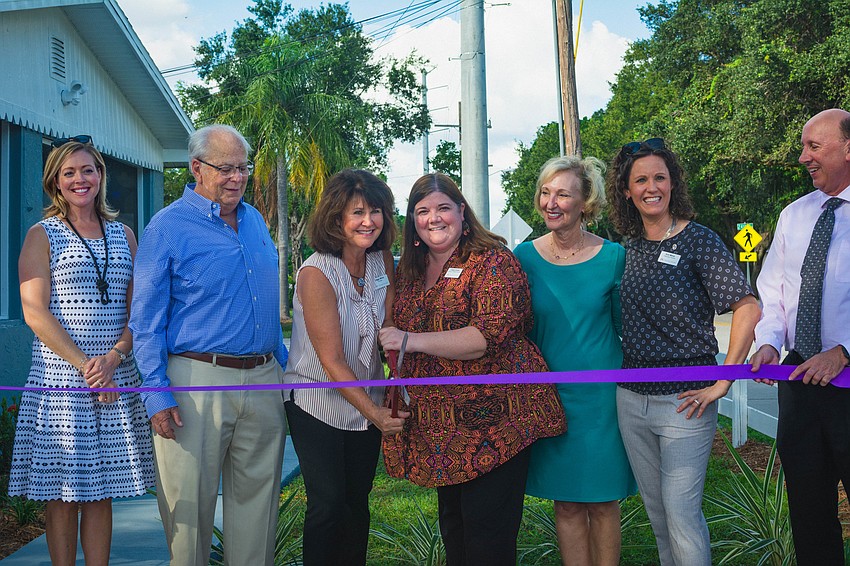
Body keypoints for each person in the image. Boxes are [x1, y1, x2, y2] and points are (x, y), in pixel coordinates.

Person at [379, 173, 566, 566]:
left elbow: (485, 337)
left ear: (462, 212)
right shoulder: (410, 270)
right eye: (423, 211)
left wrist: (410, 339)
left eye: (443, 208)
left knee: (487, 537)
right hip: (442, 430)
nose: (434, 218)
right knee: (456, 530)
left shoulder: (492, 261)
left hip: (497, 421)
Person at [130, 124, 288, 566]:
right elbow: (145, 320)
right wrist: (156, 393)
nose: (237, 177)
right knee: (188, 517)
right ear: (197, 168)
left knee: (259, 510)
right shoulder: (167, 227)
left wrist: (285, 370)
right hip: (195, 383)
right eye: (226, 168)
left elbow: (266, 304)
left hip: (264, 379)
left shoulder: (256, 221)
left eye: (243, 168)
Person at [605, 138, 761, 566]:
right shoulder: (627, 249)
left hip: (686, 402)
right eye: (641, 180)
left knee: (681, 515)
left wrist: (725, 379)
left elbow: (747, 307)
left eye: (660, 177)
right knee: (658, 518)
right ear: (626, 191)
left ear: (673, 183)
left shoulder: (699, 241)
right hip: (631, 399)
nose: (651, 187)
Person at [9, 136, 153, 565]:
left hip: (114, 375)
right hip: (62, 381)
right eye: (68, 172)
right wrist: (89, 368)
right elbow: (34, 312)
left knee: (101, 491)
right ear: (55, 181)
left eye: (87, 170)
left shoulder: (124, 234)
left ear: (100, 176)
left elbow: (139, 312)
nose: (79, 179)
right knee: (63, 494)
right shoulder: (42, 234)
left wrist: (114, 358)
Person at [283, 169, 408, 565]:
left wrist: (396, 389)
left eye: (376, 211)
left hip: (367, 398)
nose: (368, 221)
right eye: (357, 212)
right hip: (316, 402)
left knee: (356, 502)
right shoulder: (316, 273)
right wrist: (377, 414)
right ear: (336, 218)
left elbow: (388, 328)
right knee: (329, 503)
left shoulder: (382, 261)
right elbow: (332, 361)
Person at [517, 155, 637, 566]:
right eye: (545, 193)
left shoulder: (613, 256)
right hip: (548, 398)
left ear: (585, 202)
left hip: (602, 400)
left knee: (603, 501)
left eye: (563, 194)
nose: (551, 203)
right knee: (566, 503)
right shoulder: (523, 257)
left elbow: (626, 327)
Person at [750, 108, 850, 566]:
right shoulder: (794, 215)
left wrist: (843, 351)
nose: (803, 157)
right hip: (799, 382)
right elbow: (773, 290)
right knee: (809, 516)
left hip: (846, 379)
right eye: (803, 146)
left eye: (814, 146)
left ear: (847, 148)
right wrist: (769, 341)